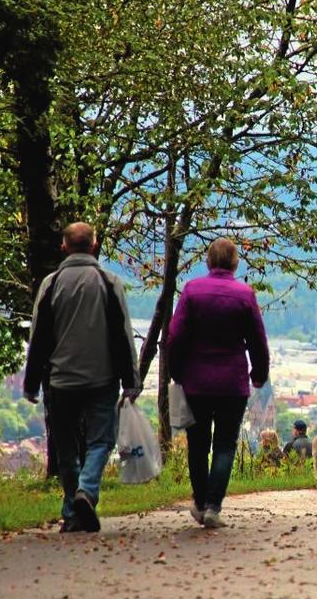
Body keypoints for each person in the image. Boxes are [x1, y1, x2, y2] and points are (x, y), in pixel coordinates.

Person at [24, 222, 141, 533]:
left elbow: (39, 337)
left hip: (61, 381)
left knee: (66, 446)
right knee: (101, 440)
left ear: (64, 247)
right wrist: (131, 380)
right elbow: (123, 335)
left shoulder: (51, 284)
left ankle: (72, 511)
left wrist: (31, 381)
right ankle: (86, 491)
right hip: (102, 379)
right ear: (93, 245)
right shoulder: (109, 281)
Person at [166, 238, 270, 529]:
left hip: (196, 381)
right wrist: (259, 373)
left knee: (198, 444)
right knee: (225, 444)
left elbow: (175, 336)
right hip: (232, 384)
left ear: (208, 262)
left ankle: (199, 502)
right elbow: (257, 341)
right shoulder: (245, 294)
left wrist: (177, 372)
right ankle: (213, 506)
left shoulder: (192, 290)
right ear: (235, 263)